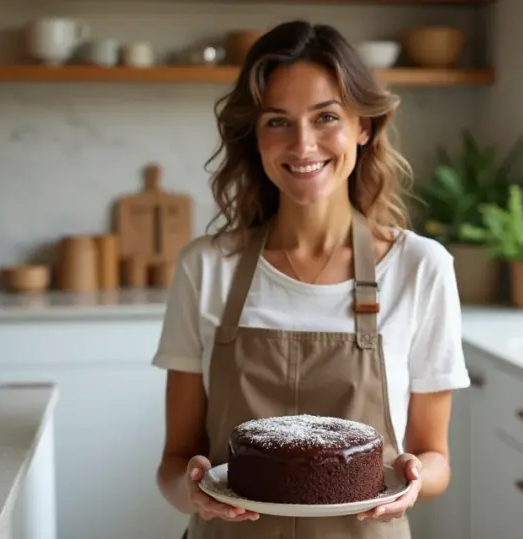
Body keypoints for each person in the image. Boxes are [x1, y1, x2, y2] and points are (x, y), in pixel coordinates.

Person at [152, 19, 471, 539]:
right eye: (278, 121)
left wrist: (416, 479)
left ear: (363, 127)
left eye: (326, 117)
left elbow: (435, 458)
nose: (303, 144)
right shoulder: (206, 267)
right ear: (255, 137)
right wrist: (191, 492)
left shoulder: (420, 267)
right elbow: (173, 462)